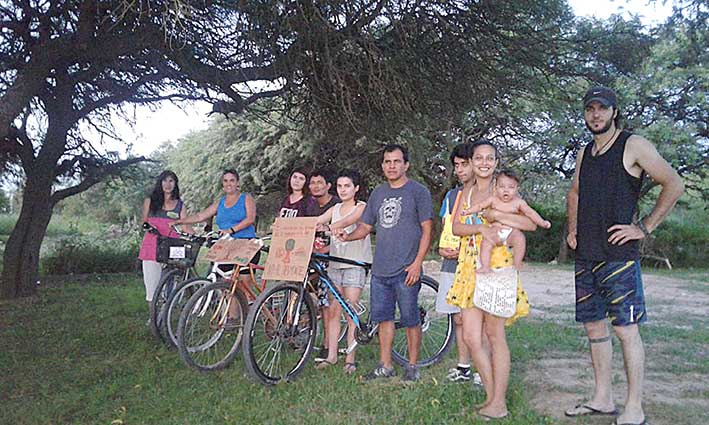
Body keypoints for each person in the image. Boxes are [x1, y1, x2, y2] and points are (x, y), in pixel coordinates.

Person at [564, 86, 683, 425]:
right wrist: (572, 229)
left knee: (626, 329)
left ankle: (635, 407)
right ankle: (602, 398)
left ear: (614, 111)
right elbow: (574, 192)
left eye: (602, 109)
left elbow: (673, 184)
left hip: (619, 257)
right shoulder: (585, 153)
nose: (596, 115)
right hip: (587, 254)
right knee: (593, 327)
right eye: (590, 109)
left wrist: (644, 227)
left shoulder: (634, 145)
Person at [447, 140, 537, 420]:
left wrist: (496, 215)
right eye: (478, 158)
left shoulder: (505, 192)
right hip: (469, 265)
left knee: (494, 335)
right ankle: (491, 397)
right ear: (471, 162)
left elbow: (530, 224)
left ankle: (499, 401)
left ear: (496, 162)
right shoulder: (467, 190)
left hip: (498, 266)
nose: (484, 162)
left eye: (490, 158)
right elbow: (456, 226)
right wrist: (482, 228)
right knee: (472, 337)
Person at [336, 144, 433, 382]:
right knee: (383, 318)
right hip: (380, 271)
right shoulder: (378, 193)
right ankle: (385, 365)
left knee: (411, 318)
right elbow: (366, 226)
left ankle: (412, 366)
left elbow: (427, 229)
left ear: (406, 165)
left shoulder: (418, 192)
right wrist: (347, 236)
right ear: (382, 166)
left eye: (397, 161)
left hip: (406, 269)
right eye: (387, 162)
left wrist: (417, 262)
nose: (391, 166)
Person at [314, 170, 372, 373]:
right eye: (339, 186)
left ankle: (350, 358)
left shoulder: (362, 207)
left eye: (347, 186)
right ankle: (331, 356)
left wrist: (327, 227)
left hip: (355, 264)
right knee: (333, 311)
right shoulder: (335, 208)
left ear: (356, 188)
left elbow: (349, 221)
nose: (343, 190)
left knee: (350, 311)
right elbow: (319, 219)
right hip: (335, 265)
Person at [436, 143, 478, 384]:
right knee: (458, 318)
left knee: (479, 320)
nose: (460, 170)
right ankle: (463, 366)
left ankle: (483, 370)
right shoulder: (452, 196)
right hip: (452, 265)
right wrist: (443, 248)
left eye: (465, 164)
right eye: (457, 166)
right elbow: (446, 229)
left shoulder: (491, 193)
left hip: (477, 266)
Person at [173, 169, 258, 279]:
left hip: (246, 244)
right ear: (222, 183)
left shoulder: (246, 198)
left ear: (238, 183)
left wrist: (231, 230)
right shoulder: (220, 202)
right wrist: (180, 221)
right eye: (225, 181)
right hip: (226, 245)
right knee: (221, 283)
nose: (229, 184)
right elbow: (201, 216)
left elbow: (250, 219)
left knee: (242, 285)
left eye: (232, 180)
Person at [462, 169, 551, 273]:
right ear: (496, 187)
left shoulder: (519, 203)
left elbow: (531, 213)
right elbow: (480, 206)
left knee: (520, 239)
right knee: (485, 243)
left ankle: (517, 264)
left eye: (511, 187)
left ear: (517, 188)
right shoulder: (493, 199)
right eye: (502, 187)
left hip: (511, 232)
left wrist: (542, 222)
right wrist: (468, 211)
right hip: (495, 231)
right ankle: (485, 266)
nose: (506, 190)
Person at [138, 170, 190, 316]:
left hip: (172, 248)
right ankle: (154, 319)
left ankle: (165, 318)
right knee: (152, 287)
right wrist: (150, 228)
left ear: (175, 184)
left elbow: (186, 227)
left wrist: (198, 237)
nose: (168, 184)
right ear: (160, 183)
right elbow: (144, 222)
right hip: (151, 248)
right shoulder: (150, 201)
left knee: (171, 286)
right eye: (165, 181)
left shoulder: (180, 205)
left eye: (171, 181)